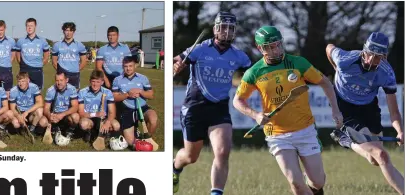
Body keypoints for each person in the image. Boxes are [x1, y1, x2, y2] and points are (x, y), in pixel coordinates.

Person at [233, 26, 343, 195]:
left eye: (277, 44)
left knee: (318, 182)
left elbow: (325, 83)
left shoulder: (298, 63)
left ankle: (310, 180)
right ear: (260, 48)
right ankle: (301, 183)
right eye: (269, 47)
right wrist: (255, 115)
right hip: (276, 134)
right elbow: (237, 100)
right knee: (295, 183)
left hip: (305, 130)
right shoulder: (254, 73)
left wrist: (335, 109)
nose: (275, 49)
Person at [171, 11, 251, 195]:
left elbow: (255, 74)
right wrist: (176, 65)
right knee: (191, 157)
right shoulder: (200, 48)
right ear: (215, 29)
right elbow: (176, 60)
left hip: (219, 108)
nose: (226, 32)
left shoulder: (239, 56)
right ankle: (174, 168)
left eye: (231, 29)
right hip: (194, 107)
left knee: (222, 152)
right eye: (223, 27)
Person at [326, 32, 404, 194]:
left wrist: (400, 131)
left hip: (369, 107)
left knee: (375, 159)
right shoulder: (345, 60)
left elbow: (394, 111)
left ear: (384, 57)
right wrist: (336, 69)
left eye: (377, 57)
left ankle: (346, 140)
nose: (370, 60)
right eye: (369, 54)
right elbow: (329, 48)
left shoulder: (387, 74)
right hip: (345, 107)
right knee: (381, 155)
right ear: (364, 50)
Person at [112, 56, 158, 144]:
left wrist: (140, 91)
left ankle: (146, 139)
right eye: (126, 66)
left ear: (135, 66)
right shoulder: (117, 80)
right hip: (127, 108)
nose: (128, 68)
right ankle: (134, 131)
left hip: (142, 106)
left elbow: (151, 95)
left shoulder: (143, 78)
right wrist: (127, 95)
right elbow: (114, 97)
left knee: (153, 119)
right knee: (130, 143)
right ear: (122, 66)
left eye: (130, 66)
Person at [78, 70, 120, 143]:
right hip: (89, 118)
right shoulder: (82, 92)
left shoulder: (107, 92)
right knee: (83, 124)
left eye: (98, 82)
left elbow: (112, 112)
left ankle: (106, 133)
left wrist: (107, 122)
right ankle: (90, 132)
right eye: (93, 81)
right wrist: (96, 114)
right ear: (90, 81)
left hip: (103, 119)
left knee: (116, 125)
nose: (95, 84)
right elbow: (81, 113)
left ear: (102, 82)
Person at [40, 72, 80, 142]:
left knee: (76, 117)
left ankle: (69, 132)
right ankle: (53, 130)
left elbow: (75, 107)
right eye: (57, 80)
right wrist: (50, 116)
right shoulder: (50, 90)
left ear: (66, 80)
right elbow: (46, 108)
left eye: (61, 80)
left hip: (66, 115)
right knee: (42, 122)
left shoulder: (72, 89)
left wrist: (62, 115)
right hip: (54, 115)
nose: (59, 83)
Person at [15, 18, 50, 89]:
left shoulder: (42, 41)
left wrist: (39, 64)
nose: (29, 28)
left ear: (35, 26)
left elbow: (46, 56)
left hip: (37, 71)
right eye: (28, 26)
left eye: (31, 25)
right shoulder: (20, 41)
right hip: (24, 70)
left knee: (37, 94)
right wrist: (23, 64)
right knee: (22, 92)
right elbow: (18, 55)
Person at [51, 22, 87, 88]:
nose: (68, 33)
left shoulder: (79, 45)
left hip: (74, 75)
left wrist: (76, 70)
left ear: (74, 31)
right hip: (62, 75)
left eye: (71, 30)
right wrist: (60, 72)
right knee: (61, 94)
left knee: (74, 95)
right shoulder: (57, 45)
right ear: (63, 31)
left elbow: (84, 61)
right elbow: (54, 62)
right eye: (66, 30)